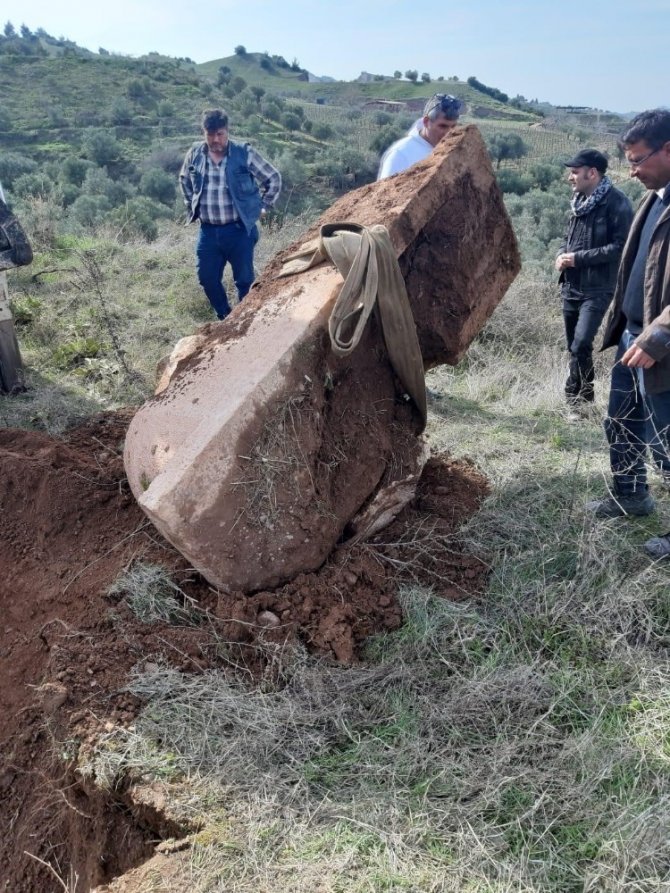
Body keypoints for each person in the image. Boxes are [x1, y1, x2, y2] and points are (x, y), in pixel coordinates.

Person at [586, 109, 670, 558]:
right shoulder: (657, 196)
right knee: (622, 422)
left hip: (661, 347)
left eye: (638, 159)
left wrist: (658, 339)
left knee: (668, 440)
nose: (632, 170)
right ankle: (630, 495)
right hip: (632, 338)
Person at [180, 108, 282, 320]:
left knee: (244, 280)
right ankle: (226, 318)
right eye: (210, 134)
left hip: (239, 230)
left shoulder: (243, 153)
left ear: (227, 131)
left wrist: (263, 207)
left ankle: (244, 320)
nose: (215, 139)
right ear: (203, 132)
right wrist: (192, 206)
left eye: (220, 134)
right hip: (208, 232)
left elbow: (273, 178)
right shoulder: (195, 154)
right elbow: (184, 180)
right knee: (207, 278)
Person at [555, 149, 633, 417]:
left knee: (581, 343)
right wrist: (562, 255)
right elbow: (569, 237)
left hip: (598, 289)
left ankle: (575, 403)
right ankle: (586, 398)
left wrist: (578, 258)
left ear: (592, 173)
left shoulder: (618, 203)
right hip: (571, 287)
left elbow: (621, 248)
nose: (570, 177)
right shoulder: (578, 201)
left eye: (575, 171)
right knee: (575, 347)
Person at [377, 93, 462, 180]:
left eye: (453, 126)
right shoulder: (400, 155)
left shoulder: (452, 151)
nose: (449, 132)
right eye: (442, 126)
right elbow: (385, 192)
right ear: (426, 122)